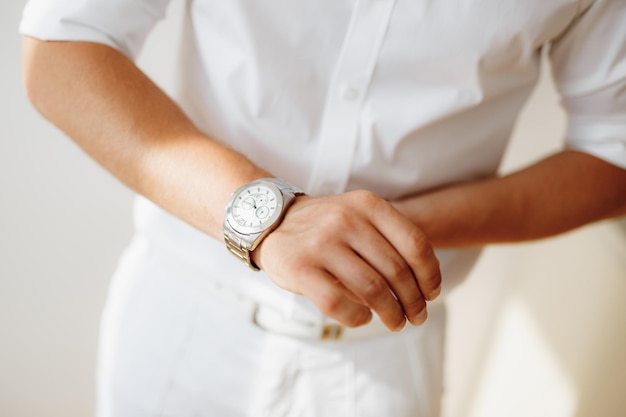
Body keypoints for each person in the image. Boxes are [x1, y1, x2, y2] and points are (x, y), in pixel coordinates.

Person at [19, 0, 626, 416]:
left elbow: (613, 155)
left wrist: (379, 233)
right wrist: (272, 218)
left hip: (380, 358)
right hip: (180, 316)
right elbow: (63, 44)